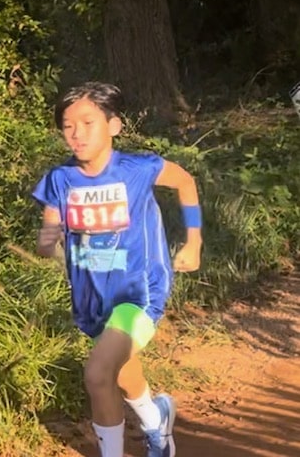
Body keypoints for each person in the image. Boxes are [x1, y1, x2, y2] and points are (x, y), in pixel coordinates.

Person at [32, 82, 202, 457]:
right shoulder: (59, 181)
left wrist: (194, 243)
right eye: (67, 125)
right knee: (121, 370)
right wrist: (47, 243)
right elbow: (48, 237)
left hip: (138, 293)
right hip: (92, 299)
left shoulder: (138, 169)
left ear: (114, 125)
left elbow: (185, 182)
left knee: (97, 374)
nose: (76, 134)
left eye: (87, 122)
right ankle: (156, 420)